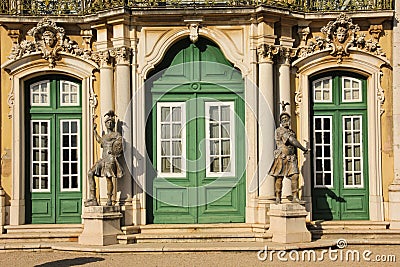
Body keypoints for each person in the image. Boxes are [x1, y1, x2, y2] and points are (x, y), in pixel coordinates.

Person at [269, 102, 309, 204]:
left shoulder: (292, 131)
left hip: (291, 157)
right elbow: (292, 141)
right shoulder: (280, 130)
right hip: (282, 157)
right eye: (283, 119)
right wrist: (303, 149)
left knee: (295, 176)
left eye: (286, 119)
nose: (285, 121)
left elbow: (293, 144)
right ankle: (278, 197)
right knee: (279, 177)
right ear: (281, 121)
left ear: (289, 120)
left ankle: (295, 197)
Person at [85, 110, 124, 206]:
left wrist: (115, 152)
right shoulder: (105, 136)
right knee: (90, 173)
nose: (109, 123)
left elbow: (120, 145)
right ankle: (93, 198)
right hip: (103, 159)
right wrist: (94, 131)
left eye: (111, 122)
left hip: (110, 158)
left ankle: (110, 199)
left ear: (114, 124)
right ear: (105, 124)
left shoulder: (116, 135)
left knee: (108, 178)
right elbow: (99, 140)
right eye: (108, 122)